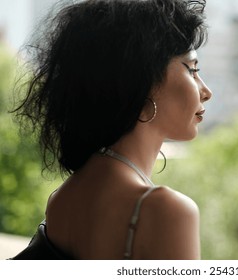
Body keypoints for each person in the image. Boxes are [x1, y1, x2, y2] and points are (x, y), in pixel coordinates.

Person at [11, 0, 212, 260]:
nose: (206, 92)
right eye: (192, 70)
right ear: (140, 81)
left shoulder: (63, 197)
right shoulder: (166, 211)